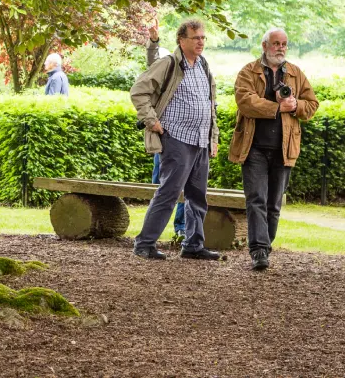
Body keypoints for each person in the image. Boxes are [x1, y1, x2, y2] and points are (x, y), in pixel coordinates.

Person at [130, 19, 220, 261]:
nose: (200, 41)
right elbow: (139, 90)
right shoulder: (169, 63)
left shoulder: (203, 65)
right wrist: (151, 120)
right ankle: (144, 244)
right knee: (169, 193)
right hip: (176, 138)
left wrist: (213, 137)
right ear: (182, 40)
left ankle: (193, 245)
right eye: (195, 38)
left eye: (203, 37)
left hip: (200, 140)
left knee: (197, 196)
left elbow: (210, 105)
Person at [229, 28, 318, 270]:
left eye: (284, 44)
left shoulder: (296, 73)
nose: (280, 48)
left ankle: (265, 247)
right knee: (256, 199)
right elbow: (245, 102)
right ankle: (258, 250)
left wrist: (295, 105)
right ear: (265, 45)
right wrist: (277, 107)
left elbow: (312, 104)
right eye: (276, 43)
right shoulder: (249, 71)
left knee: (274, 204)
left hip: (284, 148)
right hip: (254, 147)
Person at [145, 22, 185, 240]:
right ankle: (153, 230)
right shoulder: (168, 66)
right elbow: (152, 65)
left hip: (187, 138)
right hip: (167, 136)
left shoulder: (199, 69)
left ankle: (181, 228)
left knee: (184, 185)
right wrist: (153, 42)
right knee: (162, 185)